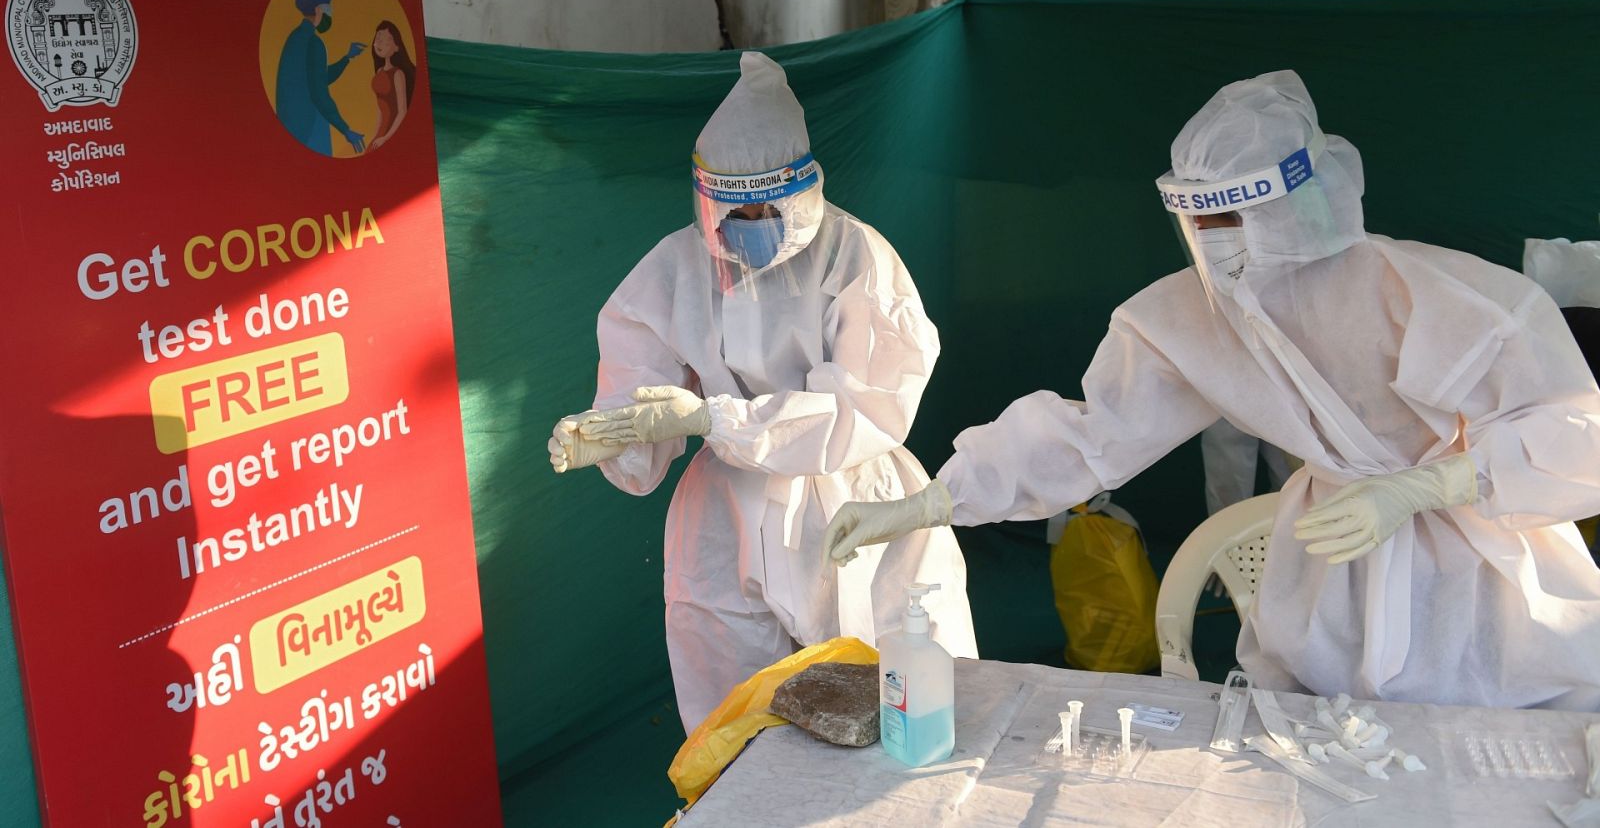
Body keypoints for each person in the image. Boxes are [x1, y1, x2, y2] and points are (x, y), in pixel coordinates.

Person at [824, 70, 1600, 711]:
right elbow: (1097, 434)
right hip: (1328, 573)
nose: (1215, 243)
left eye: (1234, 214)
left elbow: (1580, 429)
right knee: (1320, 754)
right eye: (1200, 219)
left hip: (1481, 581)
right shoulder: (1192, 316)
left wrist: (1427, 485)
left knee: (1491, 761)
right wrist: (933, 500)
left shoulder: (1444, 296)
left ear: (1299, 196)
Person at [549, 52, 976, 733]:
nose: (747, 221)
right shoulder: (676, 267)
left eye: (764, 204)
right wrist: (614, 433)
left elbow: (870, 406)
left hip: (854, 500)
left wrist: (712, 417)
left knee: (897, 693)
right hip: (726, 516)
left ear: (802, 190)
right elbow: (636, 389)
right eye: (732, 205)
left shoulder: (855, 254)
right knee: (735, 711)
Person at [273, 0, 366, 155]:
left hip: (289, 123)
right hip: (310, 124)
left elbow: (318, 77)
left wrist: (347, 58)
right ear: (318, 10)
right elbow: (319, 92)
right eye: (328, 10)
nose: (330, 15)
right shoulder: (314, 43)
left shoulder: (295, 36)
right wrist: (345, 130)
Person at [366, 20, 415, 152]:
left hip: (394, 127)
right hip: (383, 129)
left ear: (396, 47)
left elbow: (402, 111)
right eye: (378, 38)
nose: (380, 43)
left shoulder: (398, 74)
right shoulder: (379, 71)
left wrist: (386, 138)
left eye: (387, 39)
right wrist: (376, 135)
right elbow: (380, 110)